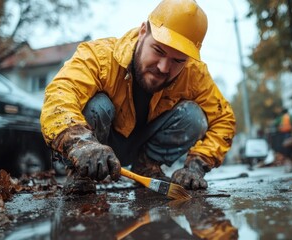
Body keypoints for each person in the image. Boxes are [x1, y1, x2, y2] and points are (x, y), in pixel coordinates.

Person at [40, 0, 236, 193]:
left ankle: (148, 166)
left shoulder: (194, 74)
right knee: (98, 105)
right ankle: (81, 174)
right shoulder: (100, 57)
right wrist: (80, 143)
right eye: (158, 50)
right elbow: (59, 95)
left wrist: (197, 165)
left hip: (144, 146)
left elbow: (224, 119)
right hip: (96, 146)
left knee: (194, 116)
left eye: (178, 60)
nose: (163, 67)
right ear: (143, 31)